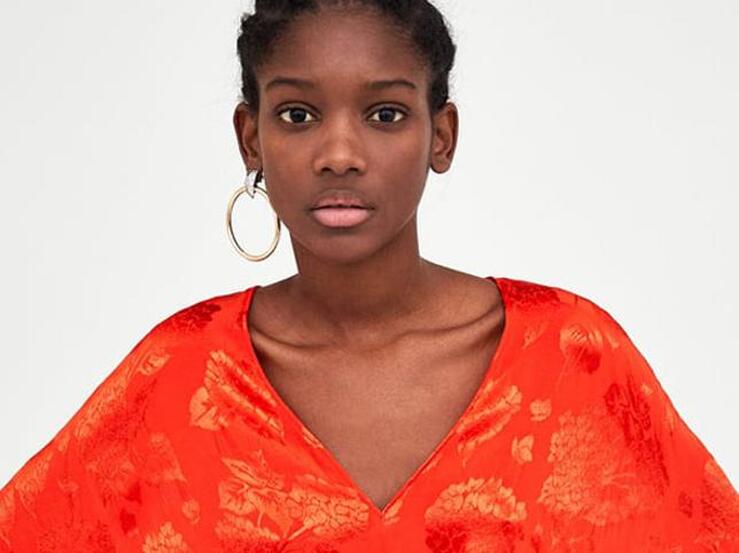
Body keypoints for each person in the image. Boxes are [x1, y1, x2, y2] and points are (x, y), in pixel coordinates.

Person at [1, 0, 737, 551]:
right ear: (250, 139)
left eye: (384, 114)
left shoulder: (570, 355)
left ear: (441, 135)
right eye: (297, 115)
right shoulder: (179, 374)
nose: (340, 155)